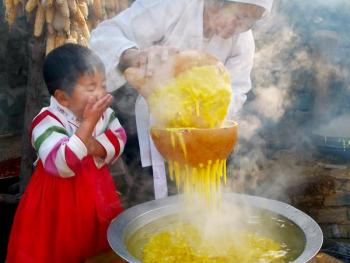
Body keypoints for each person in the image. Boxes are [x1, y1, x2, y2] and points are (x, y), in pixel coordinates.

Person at [90, 0, 273, 201]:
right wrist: (133, 55)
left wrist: (204, 126)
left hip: (203, 134)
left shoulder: (243, 41)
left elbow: (236, 91)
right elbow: (106, 34)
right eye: (237, 16)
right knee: (148, 191)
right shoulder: (173, 4)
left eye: (249, 22)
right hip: (147, 120)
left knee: (200, 190)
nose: (235, 29)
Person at [6, 44, 127, 263]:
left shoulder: (104, 114)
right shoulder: (46, 121)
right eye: (91, 88)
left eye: (103, 85)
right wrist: (88, 125)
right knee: (60, 250)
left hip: (97, 194)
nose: (101, 93)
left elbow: (119, 138)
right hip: (57, 203)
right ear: (62, 98)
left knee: (99, 249)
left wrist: (91, 146)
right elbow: (62, 164)